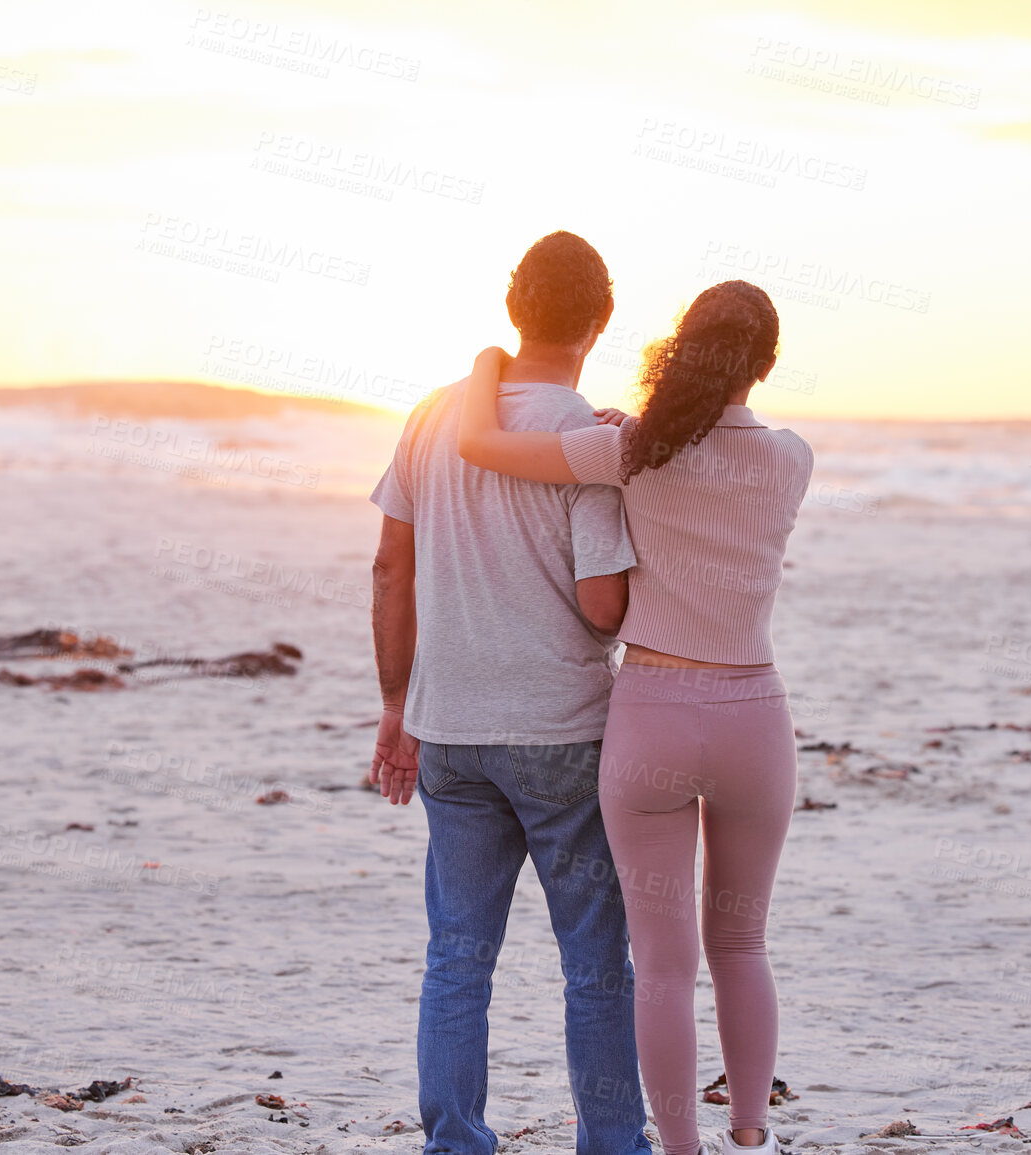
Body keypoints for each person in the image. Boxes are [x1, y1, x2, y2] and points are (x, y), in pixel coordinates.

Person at [456, 280, 813, 1155]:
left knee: (660, 962)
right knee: (741, 942)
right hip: (752, 721)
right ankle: (750, 1129)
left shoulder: (629, 454)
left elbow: (478, 443)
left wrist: (483, 366)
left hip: (651, 714)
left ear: (679, 351)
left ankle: (680, 1145)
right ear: (765, 364)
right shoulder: (794, 456)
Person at [367, 230, 654, 1155]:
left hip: (447, 728)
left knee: (456, 960)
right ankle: (612, 1143)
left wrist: (392, 706)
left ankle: (454, 1142)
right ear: (600, 319)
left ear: (511, 308)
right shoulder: (587, 439)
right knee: (594, 968)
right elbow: (602, 607)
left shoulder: (433, 415)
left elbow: (388, 569)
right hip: (561, 734)